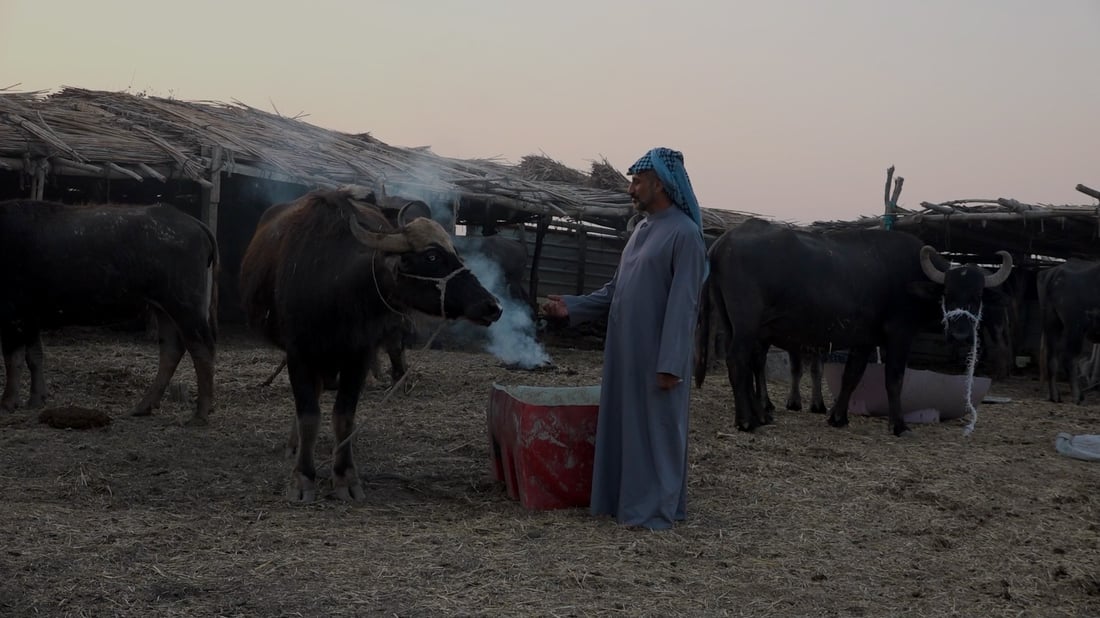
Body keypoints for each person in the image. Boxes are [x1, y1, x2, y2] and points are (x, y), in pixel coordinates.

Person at [541, 147, 707, 530]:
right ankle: (625, 503)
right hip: (624, 350)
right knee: (626, 427)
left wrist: (670, 363)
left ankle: (655, 512)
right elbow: (616, 290)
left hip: (657, 354)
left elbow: (684, 307)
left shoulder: (685, 235)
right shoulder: (641, 231)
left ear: (659, 184)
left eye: (636, 182)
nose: (630, 189)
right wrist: (573, 307)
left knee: (658, 431)